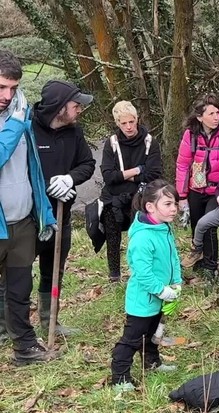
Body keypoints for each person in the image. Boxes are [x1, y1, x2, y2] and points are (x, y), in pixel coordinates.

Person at [0, 50, 58, 364]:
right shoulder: (19, 120)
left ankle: (24, 346)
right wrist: (17, 124)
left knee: (20, 287)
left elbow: (31, 170)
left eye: (13, 88)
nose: (7, 96)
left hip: (22, 220)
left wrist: (44, 212)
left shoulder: (20, 115)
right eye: (1, 88)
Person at [30, 80, 96, 338]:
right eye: (75, 104)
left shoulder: (74, 132)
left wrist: (69, 179)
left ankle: (50, 322)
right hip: (31, 218)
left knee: (53, 270)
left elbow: (87, 163)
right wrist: (48, 187)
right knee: (19, 273)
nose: (79, 109)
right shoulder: (29, 130)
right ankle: (9, 327)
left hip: (62, 213)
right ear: (59, 107)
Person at [110, 179, 182, 392]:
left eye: (175, 204)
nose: (174, 209)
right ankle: (120, 376)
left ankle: (152, 363)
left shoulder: (164, 228)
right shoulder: (142, 238)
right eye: (168, 204)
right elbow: (143, 273)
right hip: (143, 300)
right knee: (132, 339)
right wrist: (161, 290)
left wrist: (176, 281)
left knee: (153, 335)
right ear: (150, 207)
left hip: (161, 297)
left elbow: (173, 257)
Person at [176, 94, 219, 279]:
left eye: (217, 112)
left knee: (209, 222)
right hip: (196, 189)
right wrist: (182, 195)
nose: (216, 117)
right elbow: (182, 164)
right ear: (199, 117)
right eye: (211, 113)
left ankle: (210, 267)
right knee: (197, 224)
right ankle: (200, 259)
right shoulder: (191, 135)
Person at [100, 101, 163, 282]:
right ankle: (114, 276)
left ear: (137, 120)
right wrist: (137, 170)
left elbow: (153, 174)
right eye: (123, 123)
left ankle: (140, 271)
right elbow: (108, 176)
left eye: (131, 122)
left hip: (141, 195)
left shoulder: (150, 142)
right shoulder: (111, 143)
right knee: (112, 232)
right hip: (114, 195)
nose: (128, 126)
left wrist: (123, 175)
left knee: (140, 236)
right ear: (117, 123)